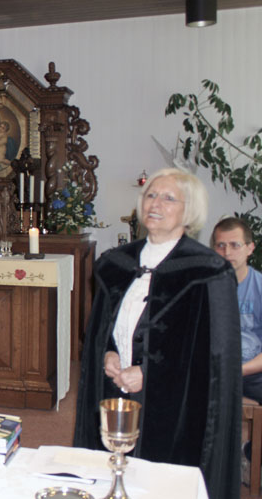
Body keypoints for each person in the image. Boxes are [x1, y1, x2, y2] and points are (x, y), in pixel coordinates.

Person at [73, 167, 241, 499]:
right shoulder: (116, 263)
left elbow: (212, 358)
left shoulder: (209, 271)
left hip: (175, 407)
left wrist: (149, 373)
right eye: (151, 195)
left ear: (188, 211)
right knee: (111, 473)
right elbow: (102, 327)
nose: (155, 204)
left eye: (168, 198)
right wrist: (107, 352)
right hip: (115, 390)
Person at [212, 218, 262, 399]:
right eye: (221, 245)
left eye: (235, 245)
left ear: (250, 248)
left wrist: (238, 370)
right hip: (212, 372)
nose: (227, 253)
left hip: (253, 373)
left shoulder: (259, 287)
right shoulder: (203, 287)